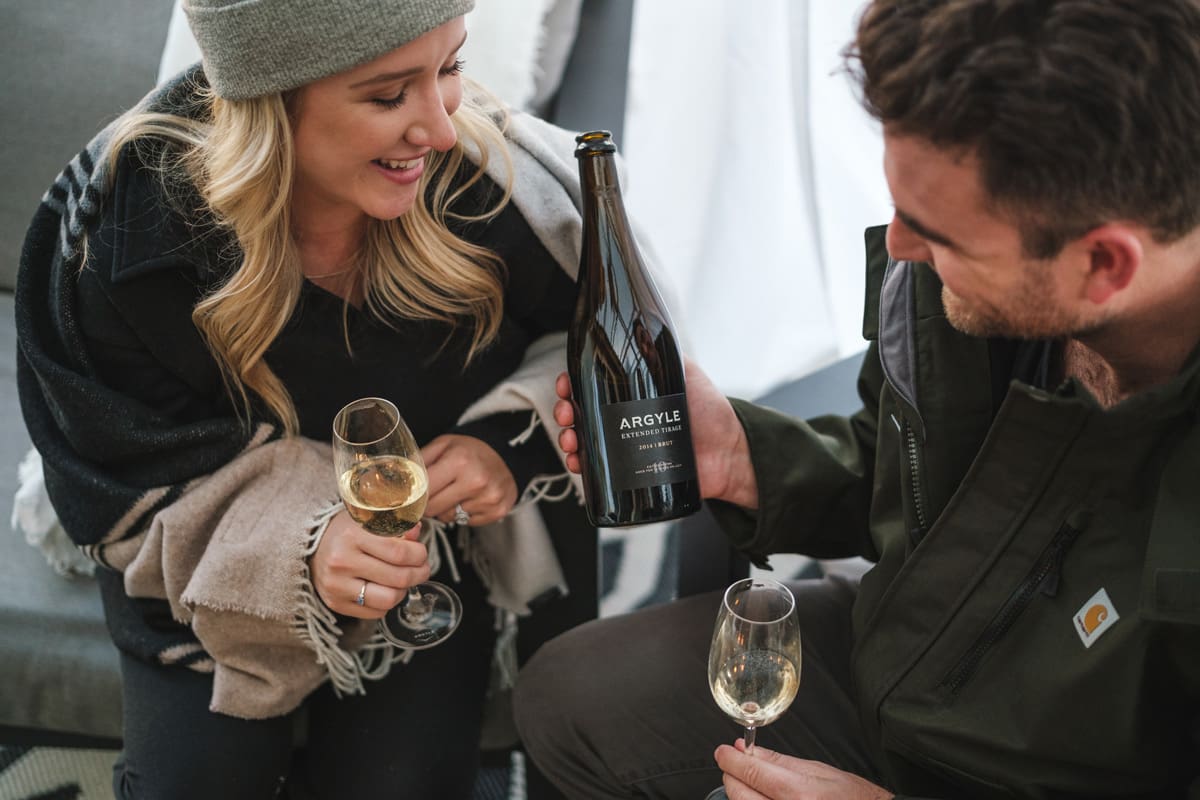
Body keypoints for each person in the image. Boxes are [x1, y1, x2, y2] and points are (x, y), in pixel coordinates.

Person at [513, 0, 1200, 798]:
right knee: (567, 695)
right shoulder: (980, 261)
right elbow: (911, 469)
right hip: (903, 656)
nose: (899, 244)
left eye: (937, 233)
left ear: (1105, 264)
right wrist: (746, 458)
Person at [14, 0, 598, 797]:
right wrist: (299, 542)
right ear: (273, 99)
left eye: (451, 67)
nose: (440, 128)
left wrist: (503, 447)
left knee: (401, 782)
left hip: (422, 542)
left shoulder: (494, 195)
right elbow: (113, 466)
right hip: (207, 548)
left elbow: (602, 351)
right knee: (199, 780)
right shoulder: (125, 230)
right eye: (388, 95)